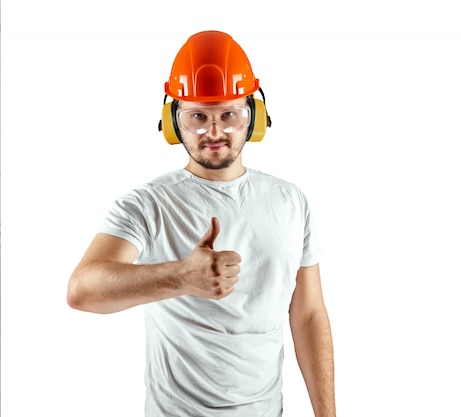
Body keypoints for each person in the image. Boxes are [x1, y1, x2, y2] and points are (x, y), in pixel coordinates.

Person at [67, 30, 336, 417]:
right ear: (173, 121)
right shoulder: (147, 204)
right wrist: (180, 277)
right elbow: (82, 289)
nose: (214, 132)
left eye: (229, 114)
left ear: (254, 118)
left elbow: (309, 314)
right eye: (197, 116)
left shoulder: (291, 200)